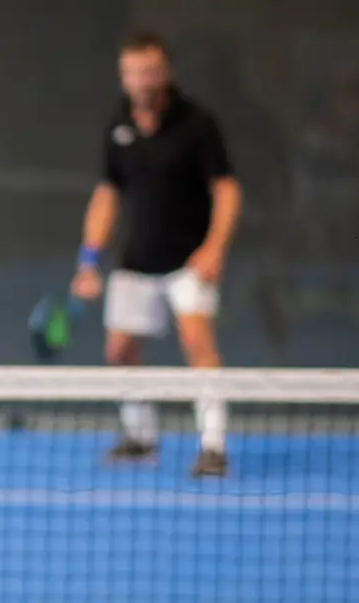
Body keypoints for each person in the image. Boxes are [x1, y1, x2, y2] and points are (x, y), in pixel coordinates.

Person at [71, 31, 242, 478]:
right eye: (133, 72)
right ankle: (140, 437)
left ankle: (213, 446)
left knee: (197, 342)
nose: (142, 80)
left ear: (165, 72)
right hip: (136, 261)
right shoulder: (117, 126)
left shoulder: (198, 125)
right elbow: (107, 194)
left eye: (150, 71)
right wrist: (88, 260)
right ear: (123, 76)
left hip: (189, 262)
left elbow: (226, 189)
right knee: (119, 349)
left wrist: (214, 248)